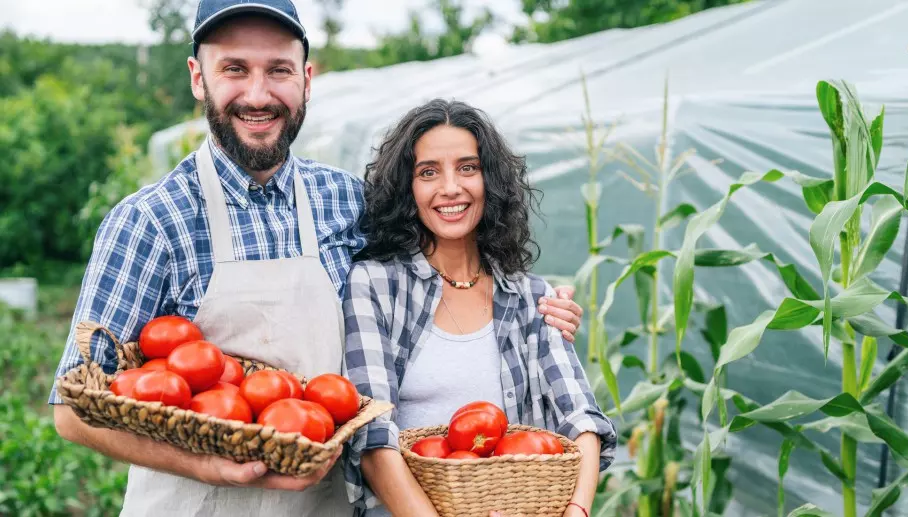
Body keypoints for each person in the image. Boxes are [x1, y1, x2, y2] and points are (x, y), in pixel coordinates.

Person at [47, 1, 584, 515]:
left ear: (306, 79)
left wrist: (541, 302)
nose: (258, 94)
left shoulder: (349, 201)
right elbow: (72, 412)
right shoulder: (150, 221)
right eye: (234, 68)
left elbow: (446, 250)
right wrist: (212, 466)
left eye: (278, 70)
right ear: (197, 76)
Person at [342, 99, 617, 517]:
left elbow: (581, 418)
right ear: (406, 188)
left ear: (491, 181)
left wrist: (577, 510)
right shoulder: (375, 285)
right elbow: (371, 435)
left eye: (468, 168)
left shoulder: (531, 297)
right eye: (428, 171)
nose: (451, 187)